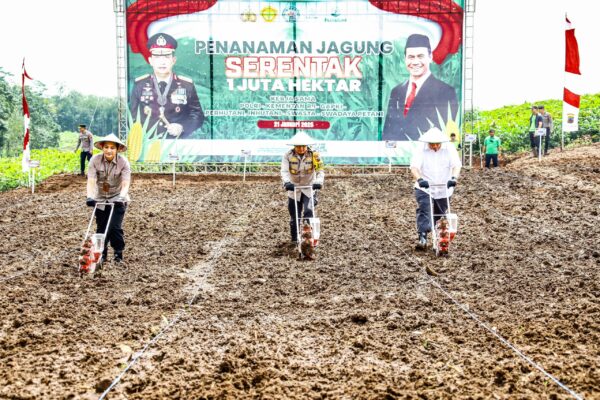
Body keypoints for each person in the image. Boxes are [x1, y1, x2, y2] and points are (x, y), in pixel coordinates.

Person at [383, 34, 459, 141]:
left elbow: (449, 133)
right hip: (397, 155)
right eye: (411, 57)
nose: (415, 62)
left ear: (430, 57)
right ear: (405, 59)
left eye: (420, 56)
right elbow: (388, 132)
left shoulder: (445, 91)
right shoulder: (396, 91)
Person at [129, 32, 204, 139]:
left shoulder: (186, 85)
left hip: (177, 143)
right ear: (150, 61)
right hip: (148, 144)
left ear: (173, 60)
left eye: (166, 57)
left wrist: (182, 127)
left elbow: (197, 115)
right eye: (157, 58)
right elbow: (132, 117)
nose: (162, 62)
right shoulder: (140, 85)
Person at [410, 127, 462, 249]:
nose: (435, 147)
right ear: (427, 143)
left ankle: (437, 236)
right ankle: (422, 237)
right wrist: (420, 179)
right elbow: (414, 167)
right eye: (432, 144)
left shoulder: (449, 148)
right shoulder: (421, 149)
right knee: (424, 211)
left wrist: (453, 178)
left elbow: (456, 165)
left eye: (437, 144)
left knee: (439, 214)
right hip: (424, 187)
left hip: (444, 187)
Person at [86, 134, 131, 263]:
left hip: (118, 197)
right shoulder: (94, 160)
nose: (109, 150)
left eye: (112, 148)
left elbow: (125, 183)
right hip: (100, 198)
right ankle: (102, 254)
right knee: (101, 227)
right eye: (106, 147)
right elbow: (91, 180)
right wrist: (89, 196)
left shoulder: (123, 162)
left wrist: (121, 197)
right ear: (102, 148)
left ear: (117, 149)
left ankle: (118, 254)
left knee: (114, 227)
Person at [280, 131, 325, 244]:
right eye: (298, 146)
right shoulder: (287, 156)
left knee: (309, 211)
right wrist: (286, 182)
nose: (301, 149)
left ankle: (308, 238)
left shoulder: (315, 155)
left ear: (307, 146)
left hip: (309, 188)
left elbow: (320, 171)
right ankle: (295, 239)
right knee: (294, 215)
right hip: (293, 189)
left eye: (303, 146)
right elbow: (284, 171)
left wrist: (318, 182)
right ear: (294, 146)